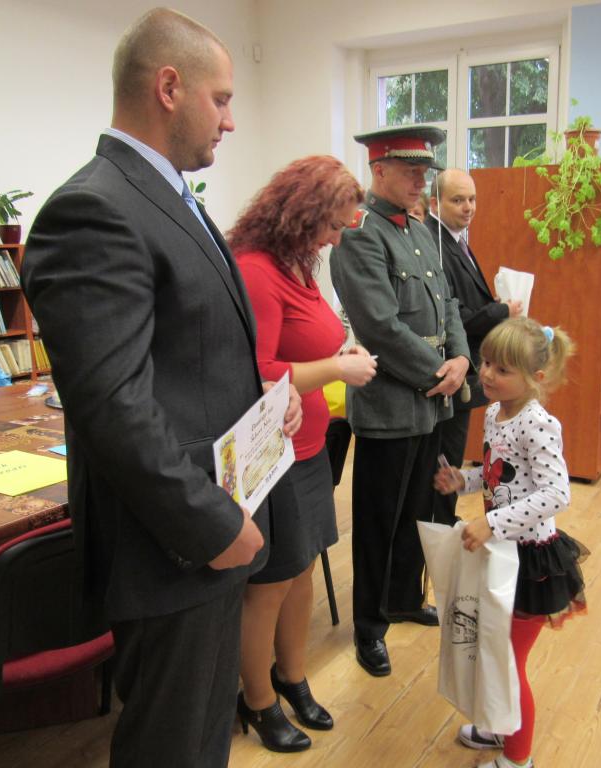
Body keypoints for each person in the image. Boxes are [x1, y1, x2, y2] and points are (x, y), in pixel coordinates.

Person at [22, 9, 300, 767]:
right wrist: (209, 525)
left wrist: (267, 395)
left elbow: (190, 354)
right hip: (172, 546)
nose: (231, 121)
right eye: (222, 99)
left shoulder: (170, 197)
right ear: (169, 88)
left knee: (202, 740)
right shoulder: (93, 209)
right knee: (172, 749)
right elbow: (112, 406)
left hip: (207, 530)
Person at [229, 156, 377, 751]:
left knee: (303, 568)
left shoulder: (298, 262)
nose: (337, 239)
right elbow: (255, 370)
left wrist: (340, 351)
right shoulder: (257, 270)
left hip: (309, 446)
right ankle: (257, 698)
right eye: (333, 226)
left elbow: (308, 343)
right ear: (302, 213)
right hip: (273, 455)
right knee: (269, 585)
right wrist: (337, 367)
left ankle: (292, 676)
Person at [330, 125, 471, 677]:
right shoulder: (360, 233)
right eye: (410, 171)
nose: (420, 181)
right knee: (378, 523)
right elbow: (380, 327)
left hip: (434, 401)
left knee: (419, 512)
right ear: (378, 170)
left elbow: (448, 302)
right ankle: (370, 627)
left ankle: (406, 599)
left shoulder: (419, 228)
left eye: (425, 172)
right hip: (390, 405)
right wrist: (440, 372)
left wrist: (461, 361)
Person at [433, 317, 588, 768]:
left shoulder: (538, 424)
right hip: (500, 554)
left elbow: (556, 493)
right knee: (491, 650)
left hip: (530, 563)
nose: (486, 374)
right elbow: (499, 476)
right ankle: (498, 724)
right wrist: (464, 481)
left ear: (535, 378)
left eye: (501, 369)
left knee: (507, 663)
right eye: (485, 362)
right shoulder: (495, 413)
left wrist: (492, 523)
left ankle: (518, 758)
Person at [425, 168, 523, 524]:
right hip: (452, 370)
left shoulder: (455, 240)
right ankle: (439, 529)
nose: (468, 207)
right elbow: (454, 315)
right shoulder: (435, 245)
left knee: (451, 455)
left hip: (465, 369)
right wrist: (500, 311)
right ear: (434, 203)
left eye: (472, 199)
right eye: (458, 200)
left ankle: (443, 524)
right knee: (444, 457)